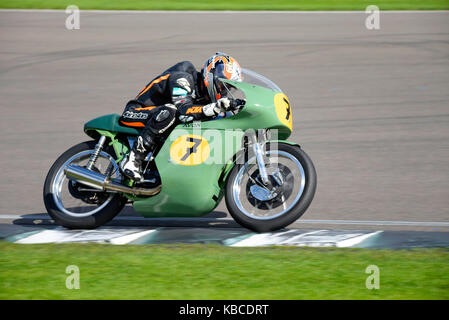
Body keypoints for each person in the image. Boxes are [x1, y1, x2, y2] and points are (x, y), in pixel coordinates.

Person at [119, 52, 244, 181]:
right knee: (170, 112)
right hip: (137, 112)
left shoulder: (205, 95)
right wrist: (215, 108)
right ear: (211, 77)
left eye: (229, 88)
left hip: (157, 119)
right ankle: (133, 160)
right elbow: (183, 110)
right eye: (223, 86)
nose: (224, 91)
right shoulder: (182, 78)